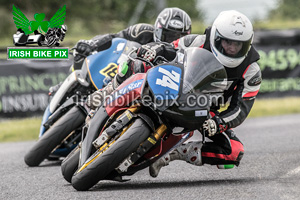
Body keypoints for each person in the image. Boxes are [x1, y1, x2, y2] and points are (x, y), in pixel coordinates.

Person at [134, 10, 262, 177]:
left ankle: (174, 153)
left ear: (247, 44)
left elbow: (241, 109)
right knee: (138, 64)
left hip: (203, 110)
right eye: (228, 42)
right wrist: (154, 50)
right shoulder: (198, 41)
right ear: (217, 37)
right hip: (172, 86)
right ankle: (103, 96)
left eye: (237, 44)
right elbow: (168, 48)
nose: (232, 48)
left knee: (234, 151)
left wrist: (219, 122)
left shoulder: (251, 71)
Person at [82, 7, 192, 109]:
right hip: (122, 69)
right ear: (158, 30)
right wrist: (93, 44)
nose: (171, 41)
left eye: (178, 37)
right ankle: (107, 90)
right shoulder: (143, 31)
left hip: (154, 90)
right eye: (168, 36)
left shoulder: (187, 49)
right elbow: (114, 37)